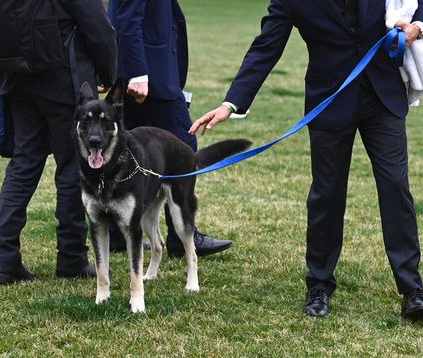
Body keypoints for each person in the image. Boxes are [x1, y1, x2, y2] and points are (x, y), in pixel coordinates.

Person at [190, 0, 423, 319]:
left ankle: (412, 288)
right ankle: (319, 285)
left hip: (383, 98)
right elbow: (265, 47)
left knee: (396, 187)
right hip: (330, 102)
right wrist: (231, 103)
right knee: (326, 194)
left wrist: (417, 26)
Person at [0, 0, 117, 285]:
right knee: (72, 169)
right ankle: (71, 257)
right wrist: (108, 74)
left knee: (23, 166)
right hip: (64, 81)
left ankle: (4, 260)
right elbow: (99, 30)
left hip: (19, 79)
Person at [107, 0, 233, 258]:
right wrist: (138, 73)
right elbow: (127, 17)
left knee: (127, 149)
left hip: (145, 69)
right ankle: (182, 234)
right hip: (149, 75)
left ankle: (118, 232)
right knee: (183, 148)